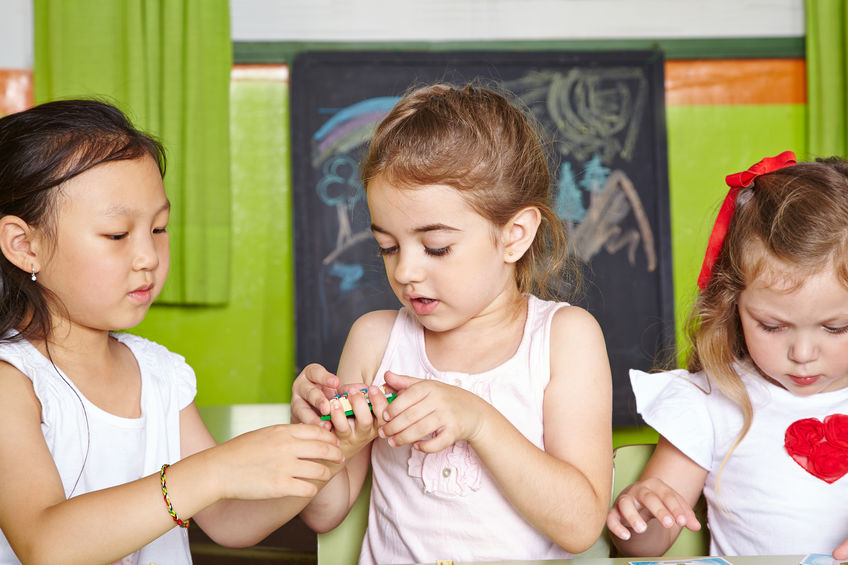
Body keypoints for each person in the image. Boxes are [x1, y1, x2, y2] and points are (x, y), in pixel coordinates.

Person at [0, 99, 344, 565]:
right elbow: (46, 545)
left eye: (159, 228)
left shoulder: (159, 374)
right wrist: (214, 470)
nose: (148, 256)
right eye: (118, 234)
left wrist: (322, 443)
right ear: (24, 246)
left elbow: (227, 519)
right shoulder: (12, 382)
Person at [291, 83, 613, 565]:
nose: (404, 272)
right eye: (388, 246)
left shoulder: (564, 339)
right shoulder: (376, 339)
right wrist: (324, 445)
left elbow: (581, 525)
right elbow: (325, 514)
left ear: (515, 235)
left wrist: (478, 421)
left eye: (436, 247)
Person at [607, 151, 848, 559]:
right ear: (731, 303)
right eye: (772, 326)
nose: (803, 354)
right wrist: (644, 515)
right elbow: (645, 546)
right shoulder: (713, 401)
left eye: (836, 328)